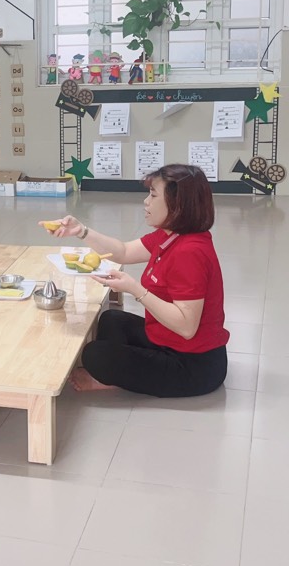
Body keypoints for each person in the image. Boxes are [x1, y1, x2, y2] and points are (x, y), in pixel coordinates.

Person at [45, 164, 228, 397]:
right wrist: (81, 231)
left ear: (177, 204)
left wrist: (136, 290)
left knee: (95, 355)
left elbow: (186, 327)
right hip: (168, 340)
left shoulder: (189, 252)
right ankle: (120, 376)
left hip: (193, 366)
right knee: (112, 319)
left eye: (153, 195)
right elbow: (123, 252)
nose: (146, 202)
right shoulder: (171, 235)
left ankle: (115, 379)